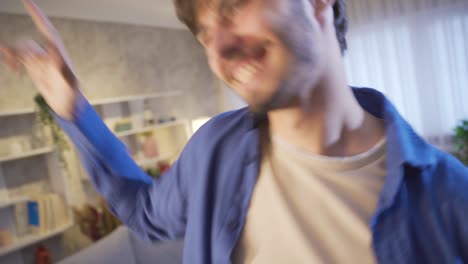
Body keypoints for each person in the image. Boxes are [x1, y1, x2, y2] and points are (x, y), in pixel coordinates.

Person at [1, 0, 467, 263]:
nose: (218, 48)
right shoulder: (213, 150)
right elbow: (145, 212)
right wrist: (73, 110)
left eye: (235, 5)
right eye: (204, 33)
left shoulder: (452, 197)